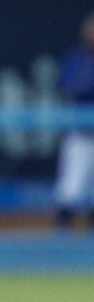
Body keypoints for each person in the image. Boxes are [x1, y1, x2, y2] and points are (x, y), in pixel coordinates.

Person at [54, 13, 94, 229]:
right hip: (80, 135)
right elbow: (67, 87)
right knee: (70, 188)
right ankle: (60, 243)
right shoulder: (76, 59)